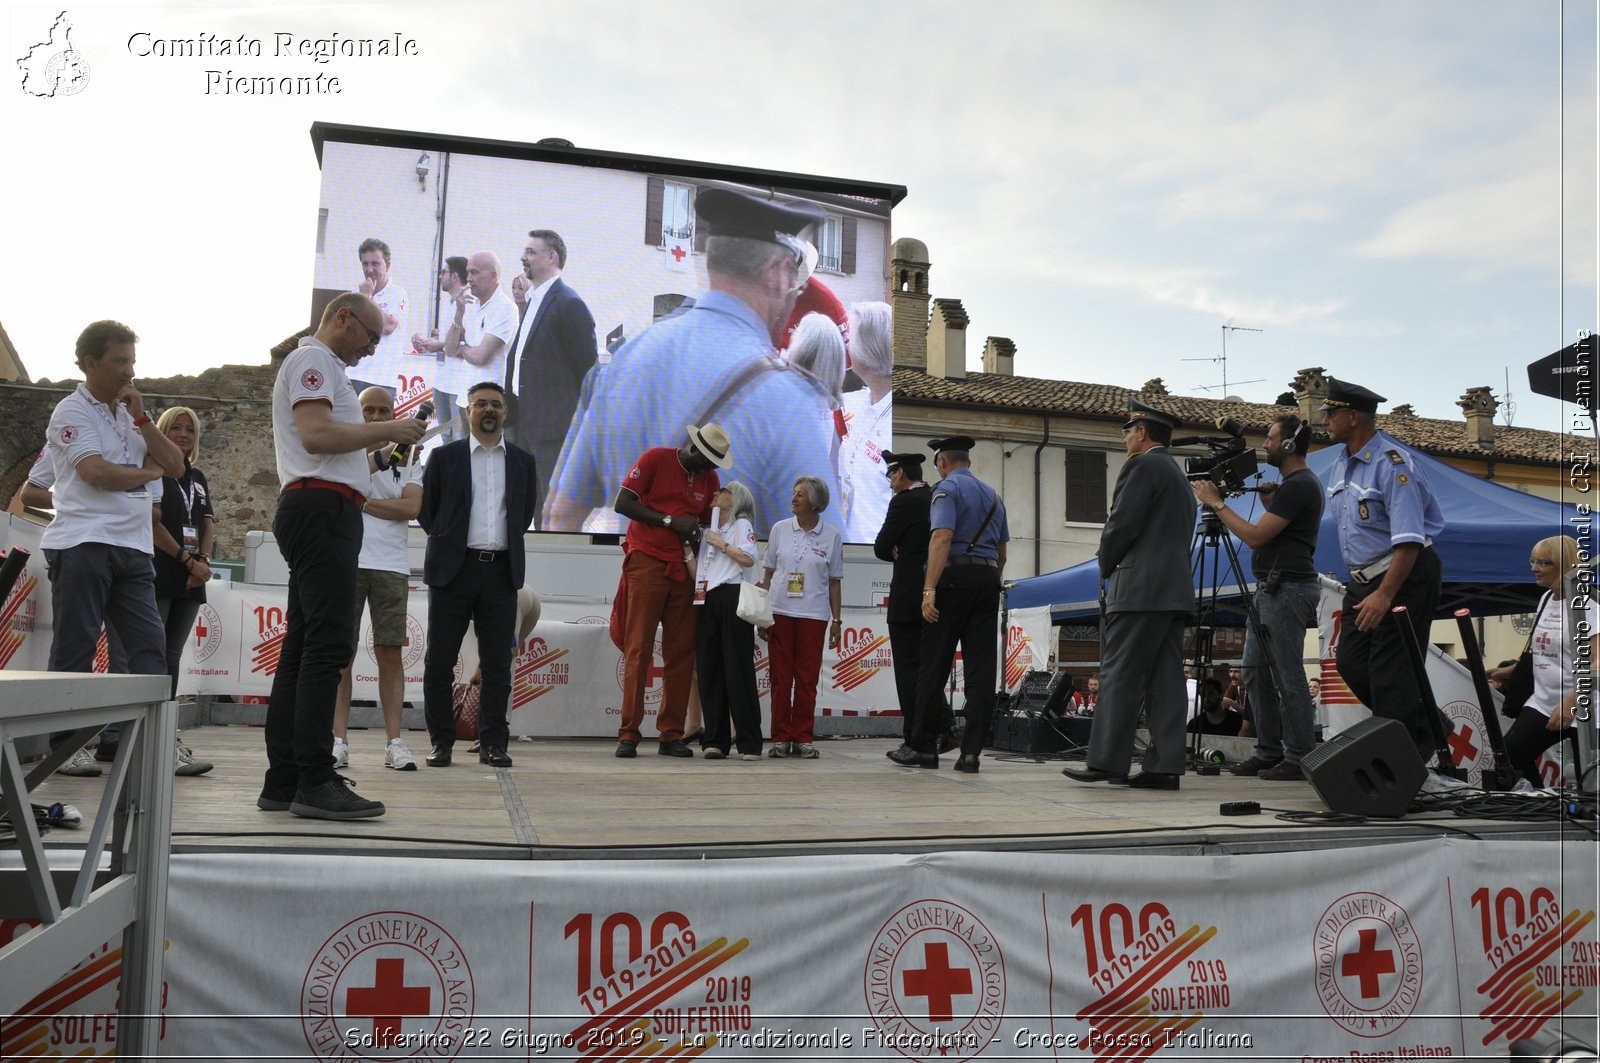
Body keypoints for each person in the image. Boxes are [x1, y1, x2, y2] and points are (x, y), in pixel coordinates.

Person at [544, 188, 838, 536]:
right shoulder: (785, 399)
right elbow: (826, 545)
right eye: (795, 283)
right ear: (776, 273)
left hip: (636, 580)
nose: (793, 293)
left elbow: (559, 518)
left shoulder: (624, 361)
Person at [263, 293, 426, 820]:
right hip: (322, 509)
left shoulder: (320, 364)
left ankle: (286, 778)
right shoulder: (314, 360)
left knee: (304, 646)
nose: (372, 347)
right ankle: (313, 778)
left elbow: (331, 445)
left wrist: (380, 452)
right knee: (326, 648)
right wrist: (390, 427)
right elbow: (315, 436)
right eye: (371, 335)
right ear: (343, 319)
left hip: (319, 505)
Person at [39, 321, 186, 776]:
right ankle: (64, 748)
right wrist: (148, 473)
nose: (130, 371)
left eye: (132, 361)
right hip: (83, 542)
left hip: (133, 547)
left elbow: (177, 465)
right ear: (90, 363)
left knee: (148, 648)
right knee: (75, 648)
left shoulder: (127, 416)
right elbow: (96, 474)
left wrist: (143, 418)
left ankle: (146, 743)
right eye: (120, 361)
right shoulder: (71, 411)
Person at [1063, 402, 1194, 791]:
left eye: (1127, 431)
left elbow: (1121, 524)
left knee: (1119, 674)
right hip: (1172, 591)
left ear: (1142, 432)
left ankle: (1107, 762)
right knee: (1167, 681)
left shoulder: (1141, 466)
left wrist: (1105, 563)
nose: (1124, 438)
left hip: (1138, 590)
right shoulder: (1177, 475)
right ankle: (1165, 766)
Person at [1194, 412, 1324, 781]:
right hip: (1271, 588)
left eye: (1269, 438)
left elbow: (1254, 537)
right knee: (1254, 673)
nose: (1264, 445)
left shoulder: (1300, 484)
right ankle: (1268, 752)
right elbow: (1283, 531)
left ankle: (1298, 757)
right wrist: (1270, 505)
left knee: (1287, 676)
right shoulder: (1294, 486)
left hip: (1286, 588)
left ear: (1287, 444)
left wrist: (1216, 502)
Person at [1321, 378, 1446, 760]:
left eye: (1331, 412)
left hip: (1402, 575)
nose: (1324, 419)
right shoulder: (1341, 463)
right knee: (1351, 662)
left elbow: (1408, 540)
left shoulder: (1393, 465)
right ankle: (1430, 726)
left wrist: (1385, 594)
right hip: (1365, 579)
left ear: (1354, 417)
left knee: (1393, 675)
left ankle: (1407, 763)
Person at [417, 382, 539, 769]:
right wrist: (451, 541)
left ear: (505, 412)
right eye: (481, 404)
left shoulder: (522, 461)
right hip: (453, 571)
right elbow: (428, 512)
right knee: (440, 661)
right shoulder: (444, 458)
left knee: (498, 663)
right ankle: (442, 742)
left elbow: (523, 515)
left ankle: (492, 743)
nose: (489, 410)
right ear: (468, 411)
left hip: (500, 572)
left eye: (496, 405)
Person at [888, 435, 1009, 773]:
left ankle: (924, 749)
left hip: (953, 579)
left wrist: (929, 589)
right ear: (966, 461)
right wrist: (988, 581)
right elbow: (1001, 553)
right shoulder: (994, 497)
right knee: (981, 672)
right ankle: (970, 754)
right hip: (987, 581)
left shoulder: (946, 490)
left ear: (941, 463)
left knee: (933, 666)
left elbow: (941, 536)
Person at [612, 424, 730, 759]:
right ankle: (629, 734)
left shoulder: (710, 479)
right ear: (692, 447)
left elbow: (709, 524)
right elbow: (622, 503)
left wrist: (699, 533)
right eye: (705, 461)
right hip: (647, 561)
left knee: (682, 652)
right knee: (639, 648)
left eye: (714, 465)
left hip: (685, 568)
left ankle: (671, 734)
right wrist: (668, 521)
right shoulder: (655, 459)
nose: (708, 470)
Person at [331, 387, 424, 773]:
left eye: (383, 410)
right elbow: (338, 497)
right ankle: (338, 741)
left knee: (390, 653)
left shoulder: (412, 458)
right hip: (347, 561)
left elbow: (412, 507)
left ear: (393, 414)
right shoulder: (345, 453)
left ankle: (394, 742)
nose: (375, 416)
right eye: (368, 410)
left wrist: (363, 501)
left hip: (391, 565)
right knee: (341, 655)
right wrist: (383, 506)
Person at [504, 229, 598, 517]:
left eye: (531, 252)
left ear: (551, 257)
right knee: (528, 506)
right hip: (524, 424)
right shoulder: (534, 301)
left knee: (550, 513)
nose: (523, 257)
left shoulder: (568, 303)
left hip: (554, 432)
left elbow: (588, 371)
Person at [1489, 536, 1595, 788]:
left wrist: (1572, 702)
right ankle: (1539, 804)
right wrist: (1507, 672)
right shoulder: (1547, 599)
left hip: (1587, 709)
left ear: (1564, 564)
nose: (1534, 568)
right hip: (1544, 703)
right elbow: (1544, 652)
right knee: (1509, 758)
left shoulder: (1589, 605)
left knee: (1589, 783)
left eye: (1543, 562)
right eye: (1532, 561)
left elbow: (1597, 662)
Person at [874, 450, 953, 749]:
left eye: (890, 475)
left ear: (899, 474)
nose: (890, 482)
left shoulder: (903, 502)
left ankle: (914, 738)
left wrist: (895, 546)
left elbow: (881, 546)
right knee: (927, 668)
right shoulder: (936, 497)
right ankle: (945, 726)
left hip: (908, 596)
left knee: (908, 670)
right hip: (935, 592)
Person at [761, 475, 845, 759]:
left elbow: (835, 581)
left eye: (801, 494)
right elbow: (768, 572)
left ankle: (803, 737)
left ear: (815, 502)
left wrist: (837, 620)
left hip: (814, 614)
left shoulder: (831, 534)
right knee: (780, 678)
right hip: (780, 612)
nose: (794, 497)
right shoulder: (779, 529)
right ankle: (781, 738)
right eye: (794, 492)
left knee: (807, 680)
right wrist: (763, 614)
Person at [694, 480, 762, 760]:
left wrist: (721, 544)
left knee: (738, 669)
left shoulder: (741, 525)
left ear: (736, 500)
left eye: (724, 492)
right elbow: (701, 568)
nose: (717, 493)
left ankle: (749, 742)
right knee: (710, 669)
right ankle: (715, 739)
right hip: (706, 597)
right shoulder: (711, 529)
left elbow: (748, 558)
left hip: (732, 595)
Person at [838, 302, 895, 543]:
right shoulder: (854, 403)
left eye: (851, 336)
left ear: (870, 346)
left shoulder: (895, 421)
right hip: (844, 551)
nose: (846, 343)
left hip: (874, 559)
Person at [411, 255, 472, 443]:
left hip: (458, 385)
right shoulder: (448, 303)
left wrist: (438, 344)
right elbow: (447, 338)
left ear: (454, 276)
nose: (440, 277)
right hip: (441, 381)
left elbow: (466, 342)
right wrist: (427, 340)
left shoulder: (468, 303)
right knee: (445, 436)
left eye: (443, 272)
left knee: (459, 437)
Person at [351, 238, 411, 394]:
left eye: (375, 263)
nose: (369, 269)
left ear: (387, 265)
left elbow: (387, 326)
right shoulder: (355, 294)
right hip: (352, 375)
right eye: (365, 264)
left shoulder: (398, 293)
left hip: (382, 380)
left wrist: (368, 297)